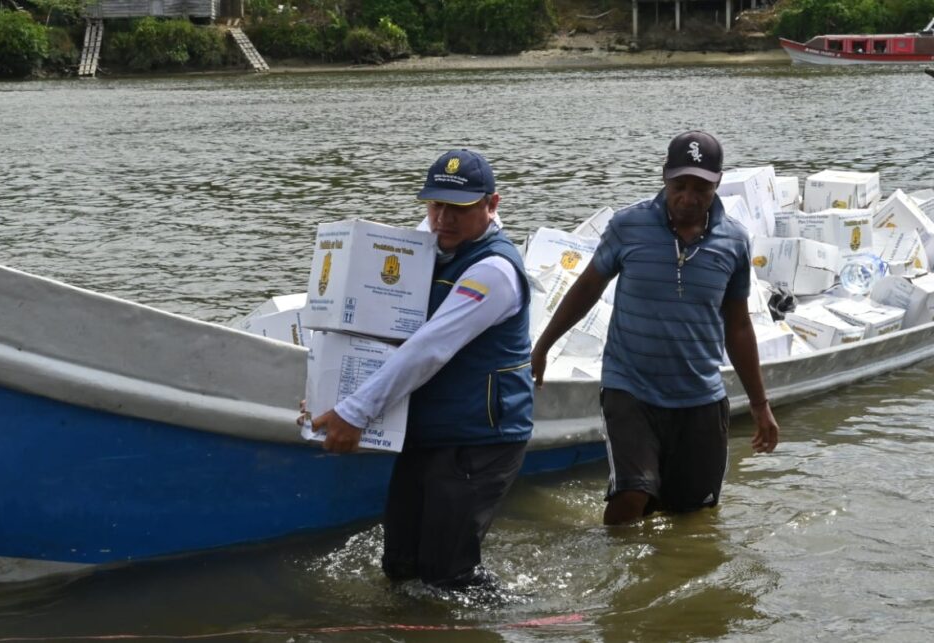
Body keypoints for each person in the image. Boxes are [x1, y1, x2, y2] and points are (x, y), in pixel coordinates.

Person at [308, 149, 533, 590]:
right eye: (436, 205)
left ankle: (526, 624)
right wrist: (330, 398)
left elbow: (429, 348)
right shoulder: (427, 248)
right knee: (401, 566)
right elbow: (372, 331)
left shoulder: (495, 270)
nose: (444, 219)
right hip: (427, 429)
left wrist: (354, 412)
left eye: (460, 208)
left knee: (447, 577)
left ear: (492, 205)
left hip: (481, 437)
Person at [532, 130, 780, 526]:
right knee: (632, 496)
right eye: (679, 185)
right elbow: (588, 288)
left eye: (701, 187)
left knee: (692, 517)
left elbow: (738, 326)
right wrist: (543, 345)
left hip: (699, 394)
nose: (688, 197)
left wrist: (760, 404)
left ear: (717, 184)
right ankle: (614, 578)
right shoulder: (628, 226)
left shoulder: (733, 242)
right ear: (664, 178)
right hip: (631, 387)